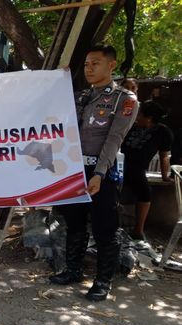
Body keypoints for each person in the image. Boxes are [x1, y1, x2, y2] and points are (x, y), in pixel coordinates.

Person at [50, 44, 139, 302]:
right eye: (87, 64)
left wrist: (99, 173)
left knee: (104, 227)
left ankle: (103, 281)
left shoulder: (124, 100)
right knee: (74, 222)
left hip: (103, 171)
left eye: (95, 63)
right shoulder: (80, 97)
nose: (89, 68)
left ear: (111, 65)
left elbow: (114, 139)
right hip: (74, 169)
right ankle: (73, 270)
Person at [121, 100, 173, 240]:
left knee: (145, 193)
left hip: (136, 169)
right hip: (119, 164)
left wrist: (165, 176)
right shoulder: (131, 126)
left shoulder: (162, 132)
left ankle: (138, 230)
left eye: (140, 114)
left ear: (149, 118)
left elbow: (164, 156)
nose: (137, 117)